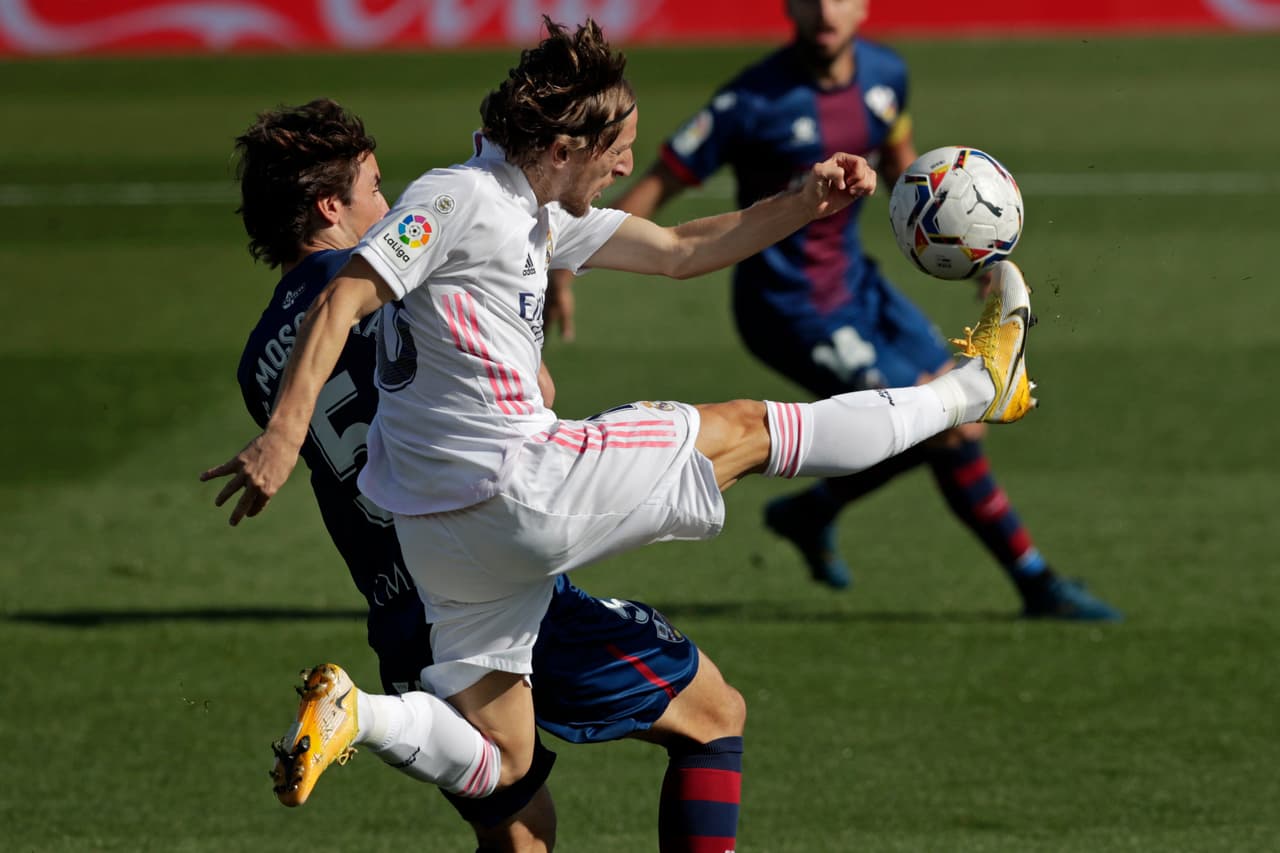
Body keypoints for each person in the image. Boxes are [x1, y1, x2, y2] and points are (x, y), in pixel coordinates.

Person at [202, 17, 1035, 847]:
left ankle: (365, 716)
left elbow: (676, 247)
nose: (630, 165)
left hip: (437, 544)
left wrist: (803, 201)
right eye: (619, 146)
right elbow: (348, 292)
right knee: (749, 432)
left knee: (503, 764)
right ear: (565, 145)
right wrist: (282, 437)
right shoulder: (457, 198)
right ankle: (975, 385)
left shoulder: (524, 211)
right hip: (519, 486)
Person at [228, 97, 746, 852]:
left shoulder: (258, 362)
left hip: (400, 614)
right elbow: (532, 388)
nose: (388, 200)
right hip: (482, 569)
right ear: (330, 205)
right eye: (374, 186)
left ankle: (363, 713)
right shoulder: (396, 272)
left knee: (522, 835)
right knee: (713, 715)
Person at [549, 0, 1119, 620]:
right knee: (951, 424)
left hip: (860, 288)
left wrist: (971, 254)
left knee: (955, 420)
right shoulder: (751, 101)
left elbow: (912, 170)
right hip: (789, 309)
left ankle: (811, 511)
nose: (825, 9)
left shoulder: (885, 75)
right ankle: (1035, 582)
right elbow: (659, 184)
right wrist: (566, 259)